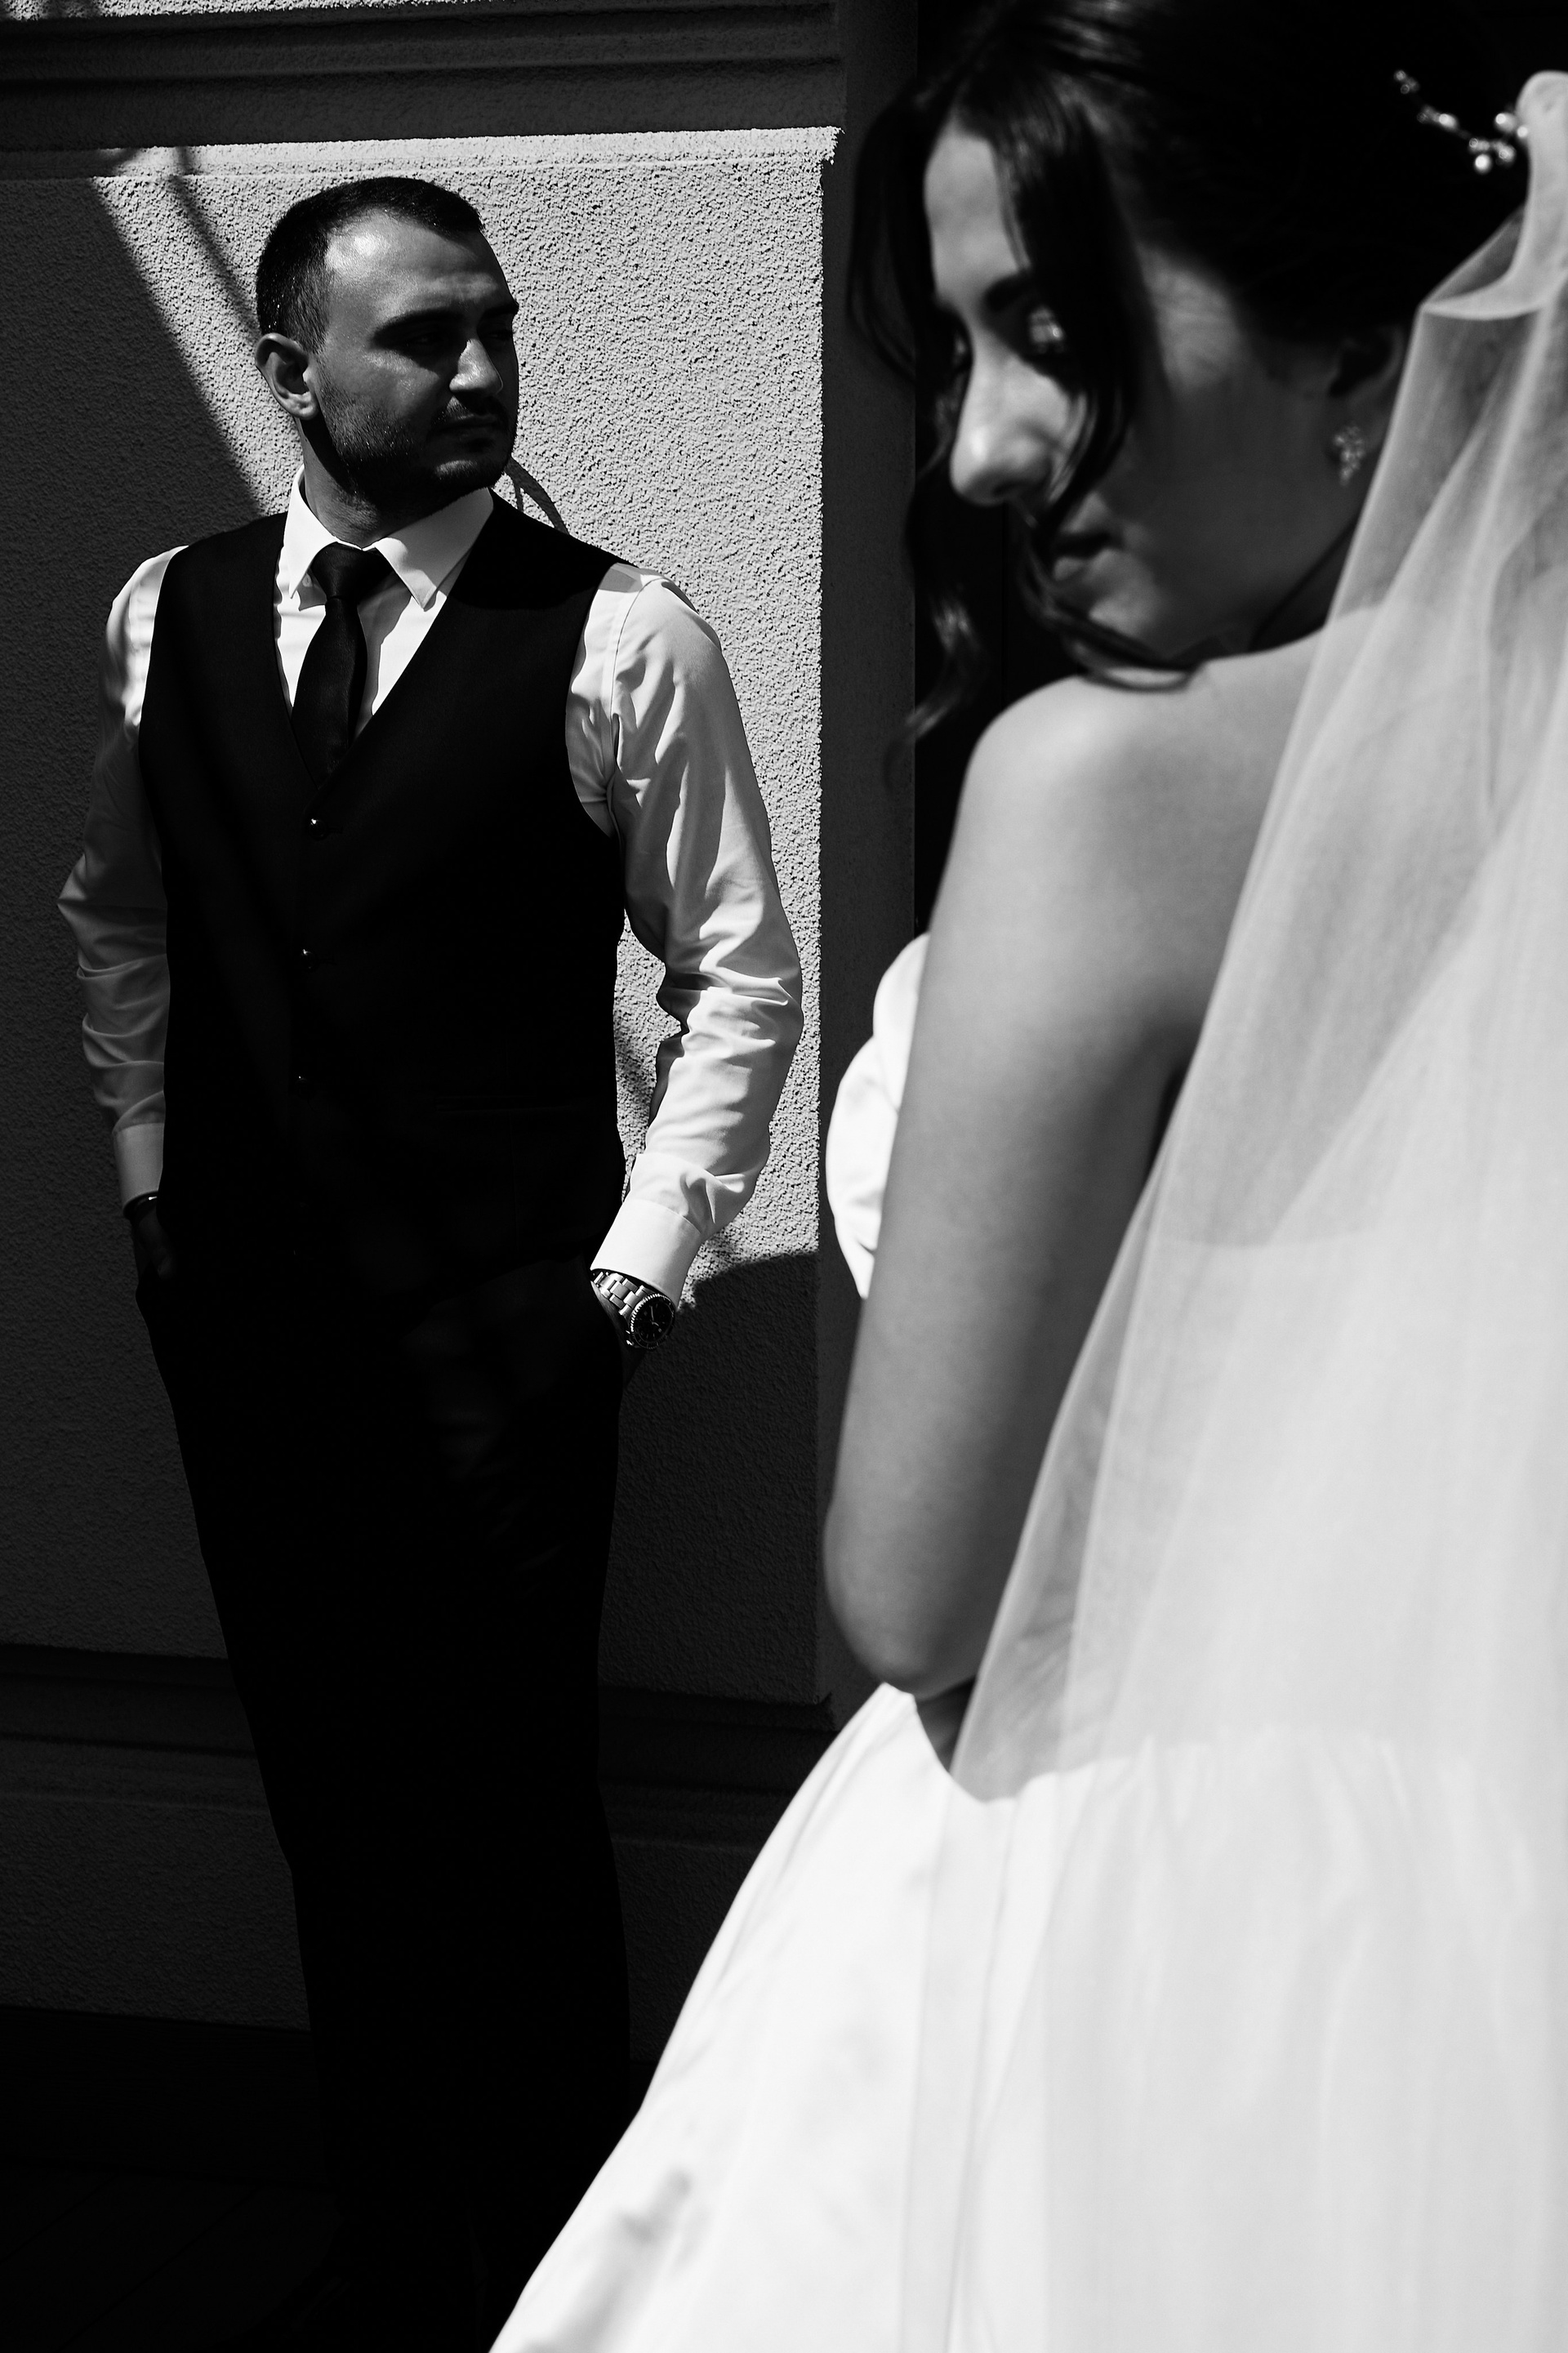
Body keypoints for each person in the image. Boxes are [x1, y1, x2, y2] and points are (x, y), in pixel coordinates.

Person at [492, 5, 1548, 2346]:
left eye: (1051, 336)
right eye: (960, 352)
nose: (976, 448)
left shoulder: (1107, 796)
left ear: (1360, 347)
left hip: (1150, 1914)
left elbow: (917, 1586)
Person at [60, 174, 802, 2351]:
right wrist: (149, 1182)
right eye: (423, 336)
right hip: (246, 1316)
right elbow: (120, 909)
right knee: (331, 1793)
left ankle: (568, 2275)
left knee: (506, 1806)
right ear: (289, 371)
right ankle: (390, 2248)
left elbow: (740, 976)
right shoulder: (166, 611)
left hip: (510, 1327)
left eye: (497, 326)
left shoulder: (622, 633)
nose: (482, 370)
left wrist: (635, 1271)